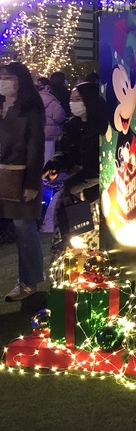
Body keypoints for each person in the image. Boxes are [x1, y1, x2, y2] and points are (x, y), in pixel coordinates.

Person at [0, 62, 46, 302]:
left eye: (9, 77)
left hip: (19, 176)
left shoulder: (31, 108)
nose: (4, 81)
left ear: (21, 81)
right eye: (1, 76)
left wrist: (31, 184)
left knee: (24, 228)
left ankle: (29, 282)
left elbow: (35, 149)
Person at [42, 82, 108, 233]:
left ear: (90, 100)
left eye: (78, 99)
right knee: (71, 231)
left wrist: (73, 184)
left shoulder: (103, 129)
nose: (73, 103)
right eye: (71, 99)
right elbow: (65, 152)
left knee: (89, 231)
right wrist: (54, 164)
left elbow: (98, 167)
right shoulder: (71, 126)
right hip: (74, 187)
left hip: (95, 190)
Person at [35, 76, 67, 164]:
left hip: (36, 133)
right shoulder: (52, 101)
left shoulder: (33, 100)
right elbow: (60, 117)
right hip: (50, 135)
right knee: (48, 157)